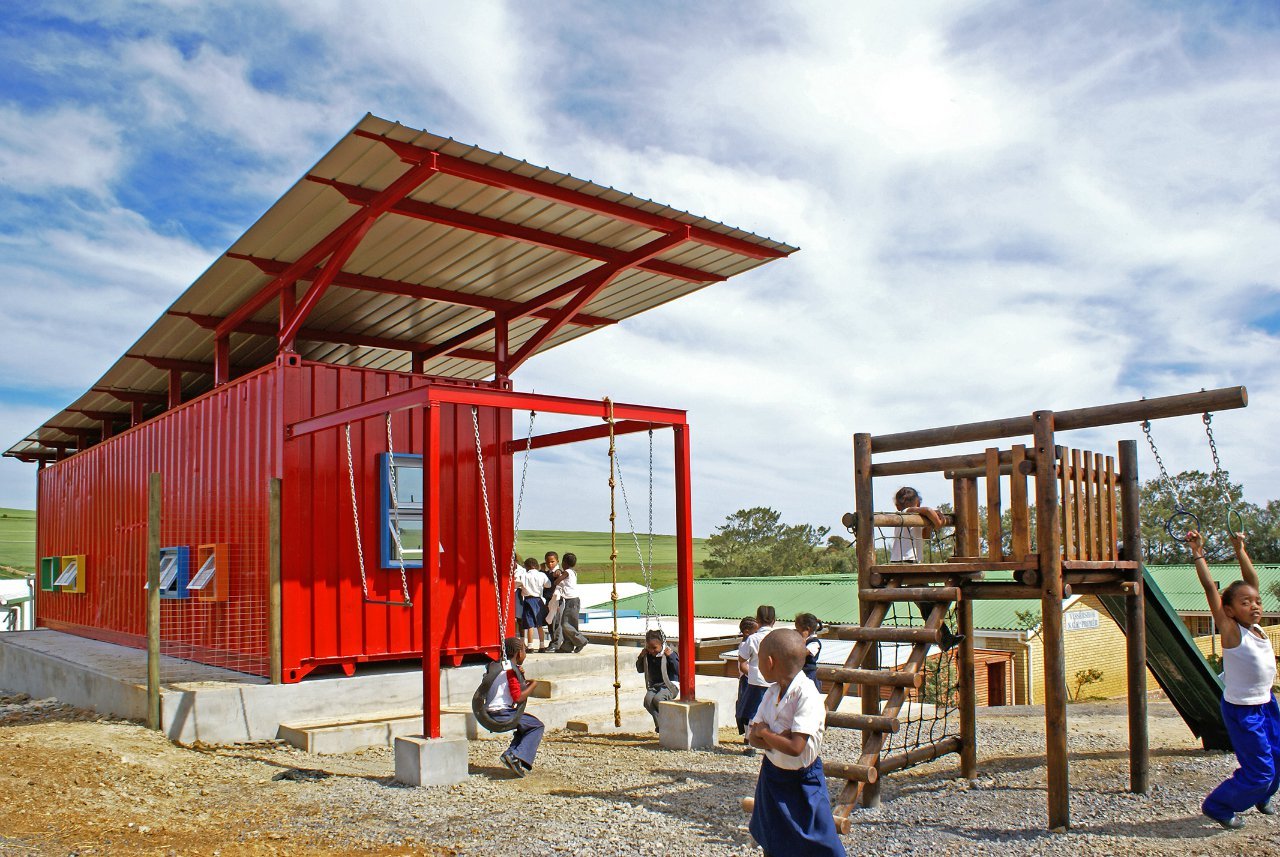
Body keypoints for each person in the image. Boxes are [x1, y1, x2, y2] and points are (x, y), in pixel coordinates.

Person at [1190, 530, 1279, 829]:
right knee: (1260, 770)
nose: (1254, 605)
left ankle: (1263, 793)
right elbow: (1209, 590)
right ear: (1229, 610)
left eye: (1256, 602)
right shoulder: (1232, 632)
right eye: (1245, 602)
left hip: (1267, 704)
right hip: (1243, 712)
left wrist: (1240, 548)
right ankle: (1219, 805)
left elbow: (1251, 580)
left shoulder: (1258, 628)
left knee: (1278, 758)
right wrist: (1198, 553)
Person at [747, 629, 846, 857]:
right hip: (772, 773)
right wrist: (777, 736)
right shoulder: (772, 692)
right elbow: (753, 736)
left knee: (818, 841)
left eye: (760, 660)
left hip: (803, 780)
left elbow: (795, 747)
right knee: (772, 837)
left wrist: (768, 734)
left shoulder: (807, 694)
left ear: (770, 662)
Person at [889, 486, 963, 651]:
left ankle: (945, 637)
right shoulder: (906, 512)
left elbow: (925, 536)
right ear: (915, 502)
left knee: (926, 603)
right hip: (905, 563)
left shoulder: (913, 518)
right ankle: (944, 637)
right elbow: (928, 510)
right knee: (926, 603)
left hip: (909, 563)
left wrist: (929, 524)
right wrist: (938, 520)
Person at [485, 636, 545, 778]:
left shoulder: (494, 666)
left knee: (526, 725)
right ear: (519, 653)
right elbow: (517, 697)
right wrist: (533, 685)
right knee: (537, 726)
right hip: (502, 712)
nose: (525, 654)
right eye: (524, 651)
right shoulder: (511, 671)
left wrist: (521, 678)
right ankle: (514, 754)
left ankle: (511, 755)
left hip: (488, 712)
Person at [739, 605, 777, 756]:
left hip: (756, 681)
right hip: (775, 681)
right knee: (774, 712)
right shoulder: (779, 637)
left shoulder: (753, 639)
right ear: (774, 620)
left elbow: (742, 661)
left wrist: (751, 674)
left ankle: (750, 744)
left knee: (753, 713)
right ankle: (773, 743)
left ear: (758, 620)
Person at [636, 629, 679, 732]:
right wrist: (641, 657)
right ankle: (660, 725)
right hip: (655, 685)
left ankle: (670, 721)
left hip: (670, 685)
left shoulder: (669, 654)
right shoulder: (648, 656)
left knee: (658, 699)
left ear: (662, 644)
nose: (652, 651)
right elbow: (640, 669)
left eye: (654, 648)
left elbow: (678, 670)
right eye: (649, 647)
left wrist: (672, 657)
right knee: (648, 701)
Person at [553, 552, 589, 654]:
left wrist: (557, 575)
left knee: (565, 624)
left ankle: (581, 640)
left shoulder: (567, 572)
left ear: (564, 562)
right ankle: (567, 646)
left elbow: (557, 582)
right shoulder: (573, 572)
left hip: (572, 601)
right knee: (571, 624)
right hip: (573, 601)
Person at [516, 557, 549, 652]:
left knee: (530, 624)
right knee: (539, 624)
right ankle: (542, 645)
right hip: (538, 600)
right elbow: (548, 585)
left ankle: (530, 646)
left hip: (528, 600)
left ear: (527, 567)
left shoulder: (524, 575)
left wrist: (522, 587)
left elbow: (515, 584)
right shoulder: (541, 575)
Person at [735, 617, 761, 736]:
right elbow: (743, 665)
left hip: (750, 678)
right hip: (748, 679)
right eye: (756, 632)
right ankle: (748, 735)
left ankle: (748, 735)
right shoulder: (746, 644)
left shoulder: (749, 642)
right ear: (747, 632)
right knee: (748, 708)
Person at [795, 613, 824, 688]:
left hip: (809, 675)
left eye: (798, 630)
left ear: (807, 629)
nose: (797, 633)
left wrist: (803, 639)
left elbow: (802, 653)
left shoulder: (814, 643)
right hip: (800, 674)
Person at [543, 551, 565, 651]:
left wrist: (559, 572)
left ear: (557, 561)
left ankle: (556, 644)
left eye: (552, 562)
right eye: (548, 562)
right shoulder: (546, 573)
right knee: (550, 622)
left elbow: (559, 573)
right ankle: (553, 642)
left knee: (556, 622)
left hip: (557, 601)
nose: (550, 564)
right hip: (548, 601)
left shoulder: (558, 572)